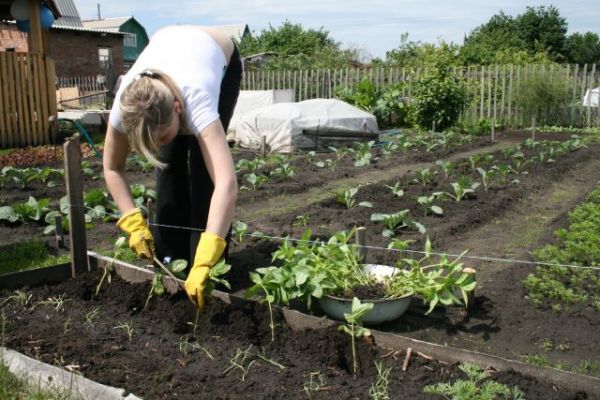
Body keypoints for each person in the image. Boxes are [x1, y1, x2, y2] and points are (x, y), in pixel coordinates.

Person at [103, 25, 241, 309]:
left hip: (219, 54)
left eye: (162, 135)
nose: (155, 145)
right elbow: (113, 168)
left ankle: (207, 271)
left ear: (178, 108)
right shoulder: (125, 107)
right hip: (169, 44)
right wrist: (131, 219)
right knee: (168, 165)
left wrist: (206, 255)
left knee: (206, 176)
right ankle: (170, 262)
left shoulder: (197, 101)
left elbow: (227, 182)